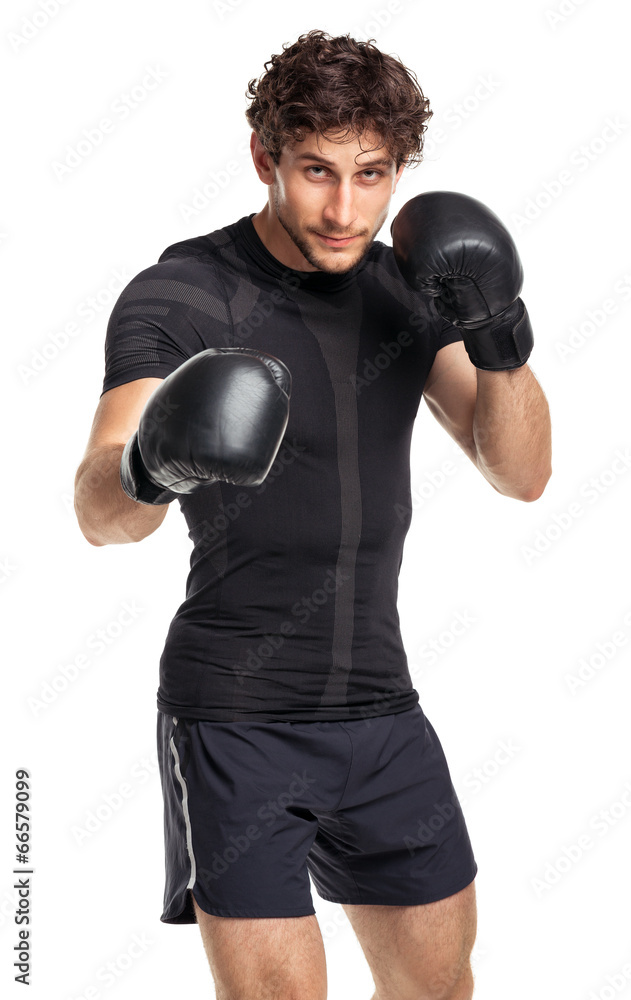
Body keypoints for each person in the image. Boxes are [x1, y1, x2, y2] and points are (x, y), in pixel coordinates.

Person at [74, 28, 551, 1000]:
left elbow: (522, 473)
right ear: (266, 160)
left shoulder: (405, 290)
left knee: (438, 986)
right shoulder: (180, 294)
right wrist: (153, 464)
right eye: (316, 171)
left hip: (382, 714)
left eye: (371, 174)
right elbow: (97, 510)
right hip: (237, 716)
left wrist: (498, 335)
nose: (345, 209)